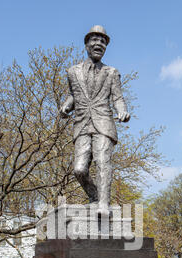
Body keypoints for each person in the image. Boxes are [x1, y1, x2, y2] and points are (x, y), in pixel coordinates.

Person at [61, 25, 130, 215]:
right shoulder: (72, 72)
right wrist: (67, 106)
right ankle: (95, 196)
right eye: (95, 40)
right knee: (79, 169)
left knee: (102, 161)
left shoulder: (111, 72)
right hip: (82, 123)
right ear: (86, 44)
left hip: (103, 123)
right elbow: (73, 94)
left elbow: (117, 97)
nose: (99, 44)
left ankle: (103, 204)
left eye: (103, 41)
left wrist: (123, 111)